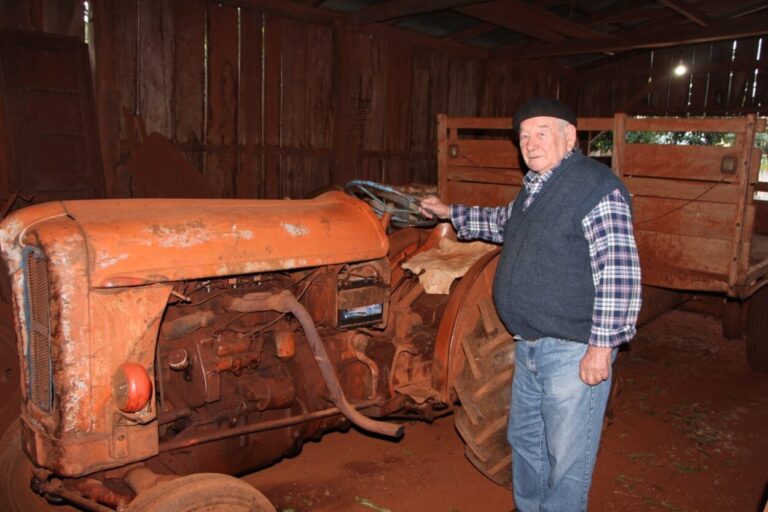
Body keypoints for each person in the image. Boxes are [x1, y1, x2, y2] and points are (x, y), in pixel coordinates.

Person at [421, 97, 642, 512]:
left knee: (567, 457)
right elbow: (500, 224)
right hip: (530, 346)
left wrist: (601, 347)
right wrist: (449, 212)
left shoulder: (596, 186)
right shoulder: (533, 192)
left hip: (573, 350)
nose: (531, 142)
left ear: (569, 137)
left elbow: (619, 272)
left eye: (542, 132)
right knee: (526, 440)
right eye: (524, 135)